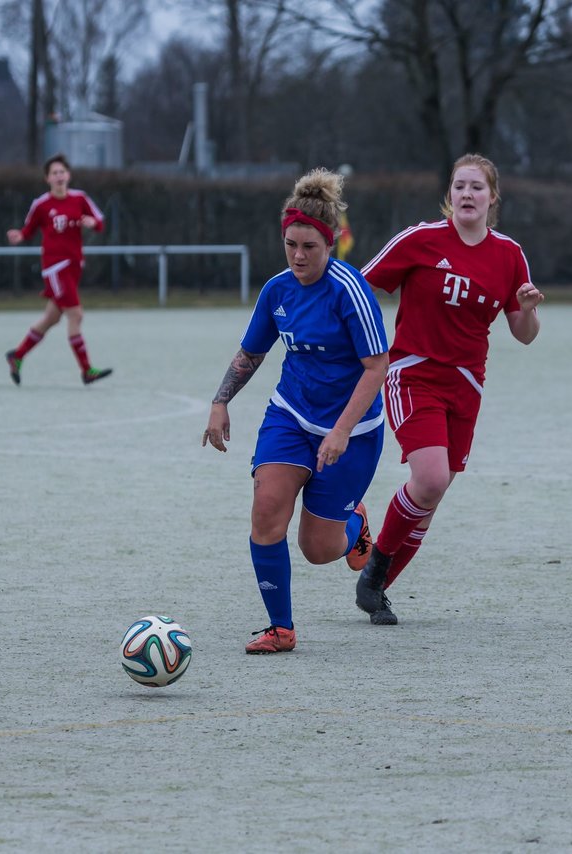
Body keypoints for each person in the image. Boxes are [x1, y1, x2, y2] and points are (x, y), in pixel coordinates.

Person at [202, 168, 389, 655]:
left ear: (330, 243)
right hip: (291, 415)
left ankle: (355, 526)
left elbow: (377, 368)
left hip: (353, 432)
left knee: (318, 549)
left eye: (310, 246)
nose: (299, 256)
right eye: (291, 245)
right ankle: (280, 628)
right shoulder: (277, 291)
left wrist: (342, 432)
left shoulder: (350, 291)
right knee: (266, 511)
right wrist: (221, 402)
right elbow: (251, 353)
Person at [354, 153, 545, 626]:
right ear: (449, 194)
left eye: (476, 187)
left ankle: (377, 590)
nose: (466, 194)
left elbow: (524, 333)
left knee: (430, 497)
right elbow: (359, 288)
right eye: (459, 186)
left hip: (466, 386)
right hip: (413, 374)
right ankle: (375, 568)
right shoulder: (421, 239)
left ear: (492, 197)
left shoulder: (508, 254)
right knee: (432, 478)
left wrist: (527, 309)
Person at [4, 153, 113, 387]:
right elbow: (29, 229)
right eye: (54, 173)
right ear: (47, 179)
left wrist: (94, 224)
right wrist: (19, 236)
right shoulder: (41, 205)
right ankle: (86, 371)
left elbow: (100, 222)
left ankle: (18, 356)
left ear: (69, 175)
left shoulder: (80, 198)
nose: (59, 176)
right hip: (55, 268)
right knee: (76, 315)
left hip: (74, 266)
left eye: (62, 172)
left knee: (51, 318)